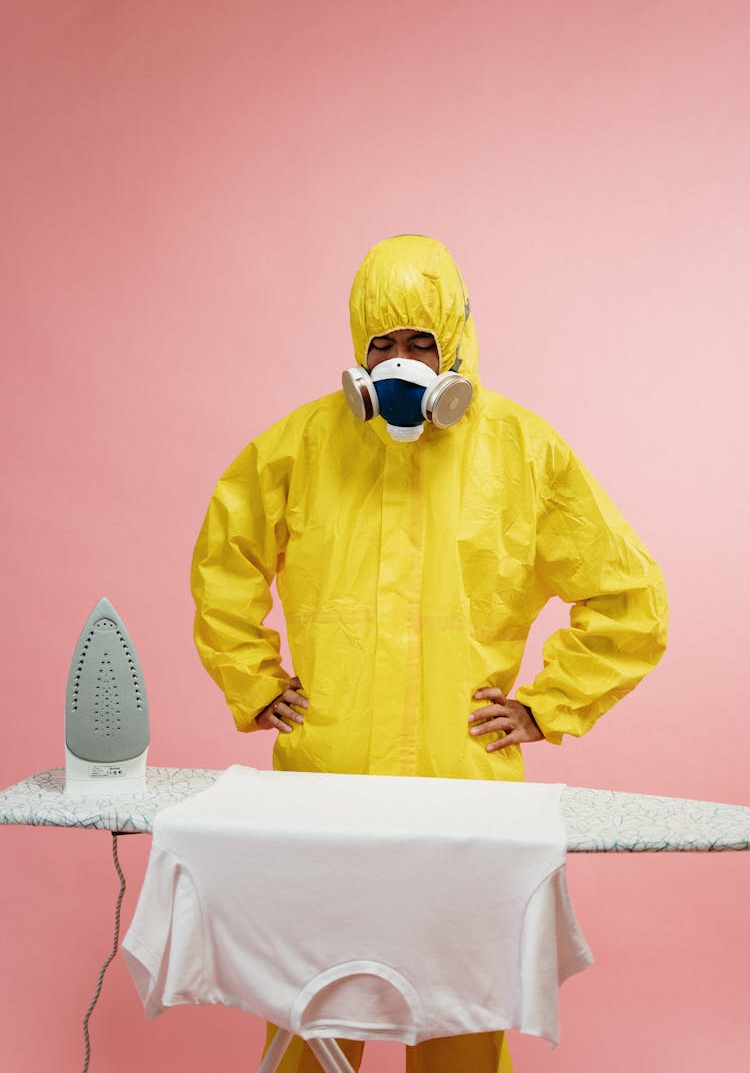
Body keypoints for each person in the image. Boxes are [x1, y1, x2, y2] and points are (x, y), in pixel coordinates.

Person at [191, 234, 668, 1073]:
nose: (400, 363)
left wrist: (545, 706)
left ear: (455, 346)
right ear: (356, 353)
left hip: (464, 783)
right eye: (382, 344)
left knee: (459, 1007)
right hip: (325, 781)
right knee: (309, 1002)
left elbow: (630, 598)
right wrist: (252, 678)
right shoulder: (299, 447)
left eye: (420, 343)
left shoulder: (524, 451)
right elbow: (224, 558)